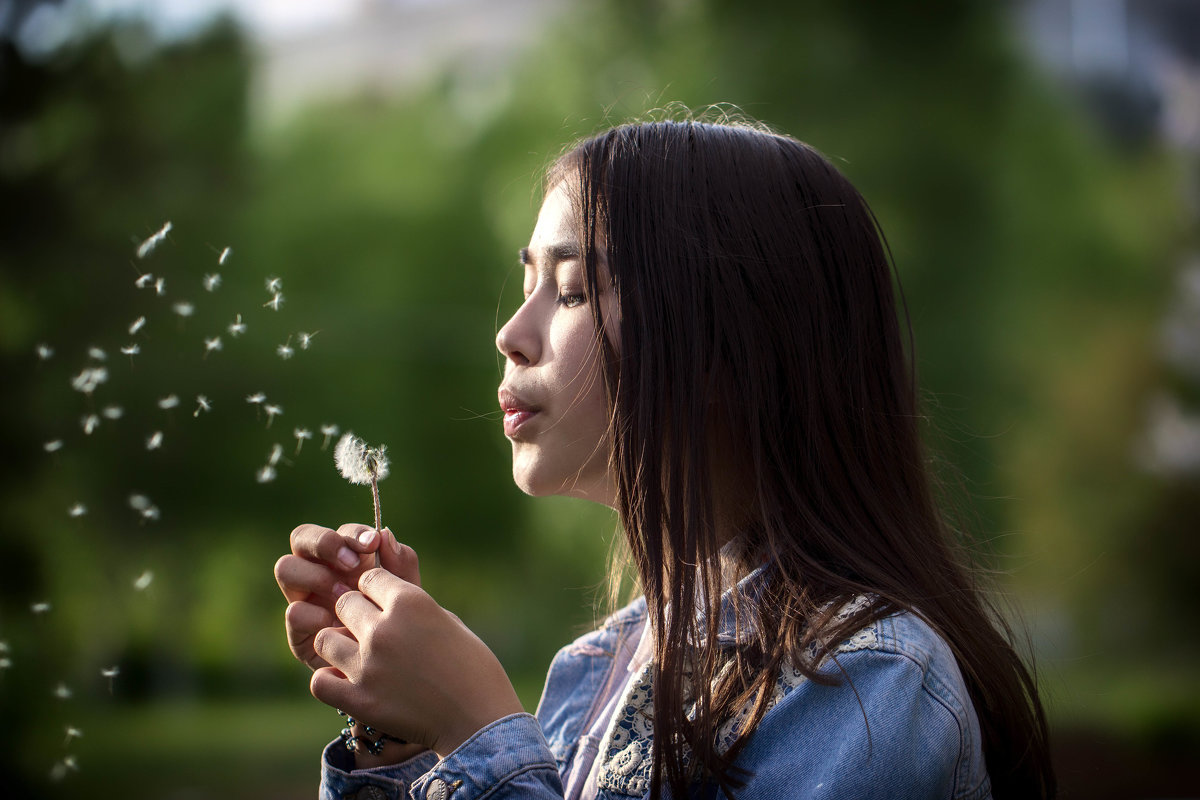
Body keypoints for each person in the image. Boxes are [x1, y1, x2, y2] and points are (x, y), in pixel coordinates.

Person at [274, 118, 1056, 800]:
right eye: (528, 283)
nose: (511, 332)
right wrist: (405, 739)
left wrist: (476, 731)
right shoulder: (598, 665)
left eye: (573, 290)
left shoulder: (870, 685)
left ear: (731, 347)